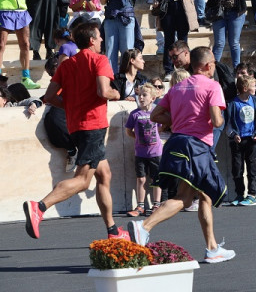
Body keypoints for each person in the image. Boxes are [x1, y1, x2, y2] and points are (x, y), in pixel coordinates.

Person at [126, 46, 236, 263]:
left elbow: (156, 115)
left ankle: (212, 248)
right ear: (207, 65)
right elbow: (216, 121)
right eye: (213, 62)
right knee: (184, 198)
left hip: (176, 144)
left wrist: (176, 121)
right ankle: (144, 227)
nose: (215, 65)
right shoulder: (212, 86)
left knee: (203, 195)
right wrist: (222, 119)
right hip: (196, 147)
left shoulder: (177, 88)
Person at [23, 21, 126, 240]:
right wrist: (117, 95)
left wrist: (70, 105)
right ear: (91, 40)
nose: (101, 41)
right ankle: (39, 207)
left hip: (76, 127)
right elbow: (103, 91)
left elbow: (50, 97)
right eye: (98, 38)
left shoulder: (66, 65)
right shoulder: (100, 60)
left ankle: (112, 231)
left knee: (104, 174)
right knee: (82, 180)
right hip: (94, 127)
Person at [0, 0, 38, 89]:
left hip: (21, 11)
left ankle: (26, 78)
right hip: (4, 10)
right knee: (1, 45)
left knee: (25, 44)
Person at [125, 84, 164, 216]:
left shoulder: (156, 112)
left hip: (156, 152)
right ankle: (140, 206)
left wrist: (154, 136)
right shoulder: (135, 114)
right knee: (141, 179)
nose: (141, 97)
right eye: (139, 95)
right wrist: (138, 138)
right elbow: (128, 131)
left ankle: (156, 204)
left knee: (155, 179)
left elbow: (161, 127)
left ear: (153, 98)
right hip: (140, 153)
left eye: (144, 95)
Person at [226, 73, 256, 206]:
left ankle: (252, 195)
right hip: (238, 141)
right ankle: (239, 194)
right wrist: (233, 134)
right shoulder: (232, 104)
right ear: (246, 88)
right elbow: (228, 123)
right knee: (237, 169)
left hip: (251, 140)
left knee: (252, 168)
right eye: (254, 86)